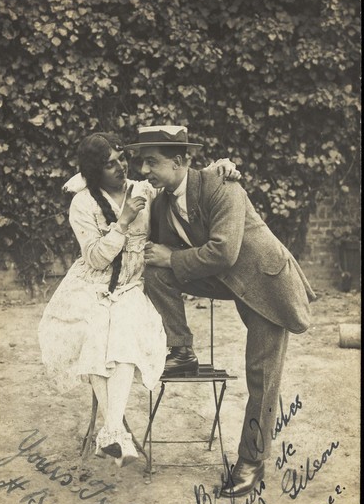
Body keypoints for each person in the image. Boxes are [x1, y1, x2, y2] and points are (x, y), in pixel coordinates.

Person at [124, 124, 316, 495]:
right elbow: (159, 251)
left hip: (265, 283)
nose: (144, 170)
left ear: (179, 161)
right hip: (227, 280)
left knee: (261, 376)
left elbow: (225, 251)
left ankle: (251, 461)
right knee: (154, 268)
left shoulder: (222, 186)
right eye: (141, 162)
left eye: (151, 162)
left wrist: (173, 256)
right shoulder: (162, 201)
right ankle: (182, 350)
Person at [38, 131, 240, 468]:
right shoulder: (83, 203)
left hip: (132, 285)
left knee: (122, 332)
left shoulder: (143, 190)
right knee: (96, 333)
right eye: (109, 165)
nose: (120, 169)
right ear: (93, 172)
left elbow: (184, 179)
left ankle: (112, 432)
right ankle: (115, 431)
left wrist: (221, 167)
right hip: (91, 286)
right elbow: (96, 260)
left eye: (121, 160)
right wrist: (123, 222)